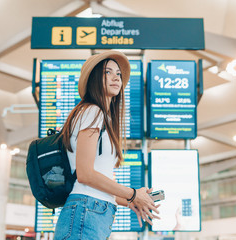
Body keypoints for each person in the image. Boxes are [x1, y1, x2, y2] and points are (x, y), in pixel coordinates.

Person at [54, 51, 160, 240]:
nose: (116, 78)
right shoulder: (92, 111)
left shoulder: (101, 116)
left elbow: (96, 180)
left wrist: (130, 201)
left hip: (92, 212)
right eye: (107, 72)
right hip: (86, 212)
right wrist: (133, 194)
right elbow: (85, 175)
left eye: (118, 74)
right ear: (94, 78)